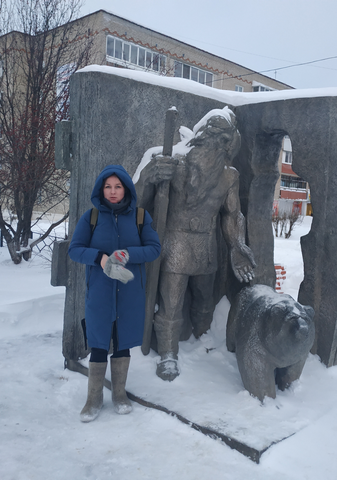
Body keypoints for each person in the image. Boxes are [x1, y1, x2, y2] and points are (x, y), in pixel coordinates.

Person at [135, 108, 255, 382]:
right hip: (175, 242)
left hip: (206, 243)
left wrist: (237, 245)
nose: (215, 147)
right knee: (171, 302)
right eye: (210, 139)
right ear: (200, 138)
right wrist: (149, 176)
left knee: (204, 299)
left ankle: (202, 339)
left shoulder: (229, 176)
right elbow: (136, 201)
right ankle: (168, 353)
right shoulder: (172, 163)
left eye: (222, 142)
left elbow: (233, 214)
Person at [68, 165, 160, 422]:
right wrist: (99, 257)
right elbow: (75, 249)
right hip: (99, 292)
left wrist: (129, 254)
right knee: (98, 343)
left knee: (121, 344)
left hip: (129, 293)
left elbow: (154, 248)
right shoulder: (92, 217)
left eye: (117, 186)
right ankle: (94, 398)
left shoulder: (141, 217)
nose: (112, 191)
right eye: (108, 186)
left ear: (126, 189)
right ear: (101, 189)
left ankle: (119, 394)